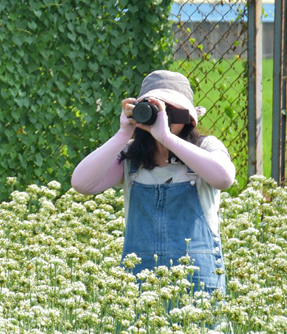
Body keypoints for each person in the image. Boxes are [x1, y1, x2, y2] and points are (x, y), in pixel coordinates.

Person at [71, 70, 236, 298]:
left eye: (169, 110)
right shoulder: (132, 156)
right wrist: (122, 133)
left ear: (186, 116)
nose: (162, 117)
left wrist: (167, 138)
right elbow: (81, 183)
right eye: (156, 110)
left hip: (198, 283)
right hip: (140, 282)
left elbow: (224, 178)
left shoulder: (206, 146)